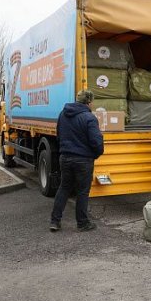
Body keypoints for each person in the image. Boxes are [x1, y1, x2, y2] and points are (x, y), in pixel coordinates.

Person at [50, 90, 104, 232]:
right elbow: (96, 142)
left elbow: (59, 135)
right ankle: (82, 223)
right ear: (89, 102)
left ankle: (55, 221)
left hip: (65, 157)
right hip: (83, 160)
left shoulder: (63, 114)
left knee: (64, 188)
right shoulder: (89, 118)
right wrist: (96, 154)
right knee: (82, 191)